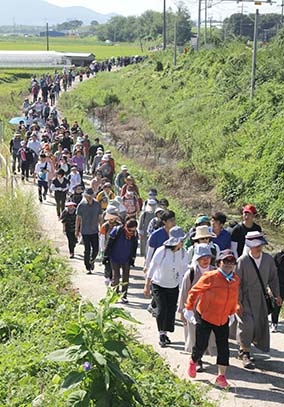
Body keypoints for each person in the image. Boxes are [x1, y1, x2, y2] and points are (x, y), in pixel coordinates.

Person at [186, 250, 239, 389]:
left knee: (223, 348)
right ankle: (193, 361)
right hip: (205, 316)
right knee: (201, 345)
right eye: (225, 261)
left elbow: (234, 296)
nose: (228, 264)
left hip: (223, 318)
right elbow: (194, 292)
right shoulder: (210, 276)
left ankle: (221, 377)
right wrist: (188, 308)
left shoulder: (235, 279)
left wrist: (232, 312)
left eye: (231, 261)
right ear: (218, 263)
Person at [236, 231, 282, 369]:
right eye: (256, 245)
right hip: (245, 298)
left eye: (260, 245)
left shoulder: (268, 259)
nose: (258, 247)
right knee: (247, 325)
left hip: (261, 298)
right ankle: (245, 352)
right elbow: (237, 283)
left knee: (259, 325)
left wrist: (277, 295)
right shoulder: (242, 261)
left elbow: (273, 278)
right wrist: (237, 302)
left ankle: (246, 348)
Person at [144, 226, 188, 347]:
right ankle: (161, 334)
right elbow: (152, 267)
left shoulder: (184, 253)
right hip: (158, 284)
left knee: (170, 311)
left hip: (173, 286)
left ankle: (166, 333)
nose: (182, 243)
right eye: (181, 240)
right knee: (162, 309)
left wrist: (184, 287)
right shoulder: (161, 251)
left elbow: (184, 271)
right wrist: (147, 285)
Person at [178, 244, 215, 371]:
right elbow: (184, 292)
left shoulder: (215, 271)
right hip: (193, 311)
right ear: (197, 259)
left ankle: (200, 356)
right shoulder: (191, 273)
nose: (205, 260)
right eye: (202, 257)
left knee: (207, 336)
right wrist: (182, 311)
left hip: (210, 310)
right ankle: (197, 360)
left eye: (208, 257)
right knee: (194, 336)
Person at [104, 219, 138, 303]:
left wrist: (133, 258)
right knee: (116, 276)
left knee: (126, 277)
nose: (131, 232)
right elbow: (109, 243)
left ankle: (124, 295)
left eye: (133, 230)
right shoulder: (117, 230)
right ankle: (115, 295)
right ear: (126, 227)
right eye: (130, 230)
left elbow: (134, 247)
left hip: (126, 258)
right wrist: (106, 256)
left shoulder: (134, 235)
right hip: (114, 257)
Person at [75, 188, 102, 274]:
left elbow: (100, 217)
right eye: (87, 197)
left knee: (96, 249)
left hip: (95, 230)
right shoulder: (81, 205)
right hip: (85, 231)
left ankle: (92, 260)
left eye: (90, 197)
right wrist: (77, 230)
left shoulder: (97, 204)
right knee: (87, 249)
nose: (89, 198)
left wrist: (101, 228)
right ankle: (88, 267)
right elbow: (78, 218)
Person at [99, 206, 122, 286]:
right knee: (107, 264)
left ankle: (113, 278)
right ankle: (107, 277)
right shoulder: (105, 226)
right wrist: (102, 250)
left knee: (115, 265)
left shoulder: (120, 226)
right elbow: (102, 238)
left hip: (117, 249)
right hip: (107, 248)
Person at [271, 250, 284, 332]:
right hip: (280, 284)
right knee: (277, 304)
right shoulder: (278, 256)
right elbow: (273, 270)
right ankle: (274, 323)